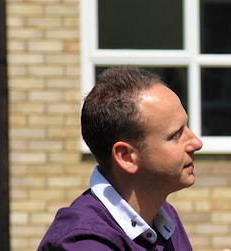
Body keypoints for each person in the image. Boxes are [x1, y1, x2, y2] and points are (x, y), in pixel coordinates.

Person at [39, 66, 203, 250]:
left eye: (186, 127)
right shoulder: (82, 242)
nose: (196, 142)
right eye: (175, 135)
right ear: (126, 157)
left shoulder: (162, 216)